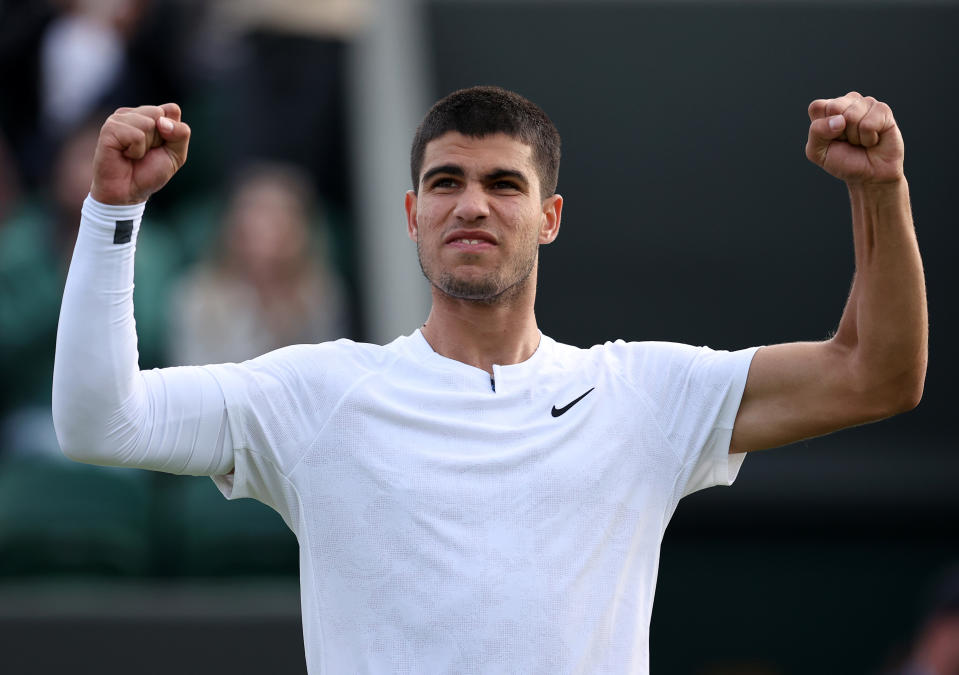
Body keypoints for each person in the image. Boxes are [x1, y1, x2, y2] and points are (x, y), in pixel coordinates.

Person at [52, 87, 927, 673]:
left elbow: (875, 373)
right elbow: (101, 423)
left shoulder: (644, 394)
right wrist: (112, 211)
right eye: (446, 182)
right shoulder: (317, 395)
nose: (471, 204)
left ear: (548, 218)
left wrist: (879, 188)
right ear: (411, 214)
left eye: (503, 184)